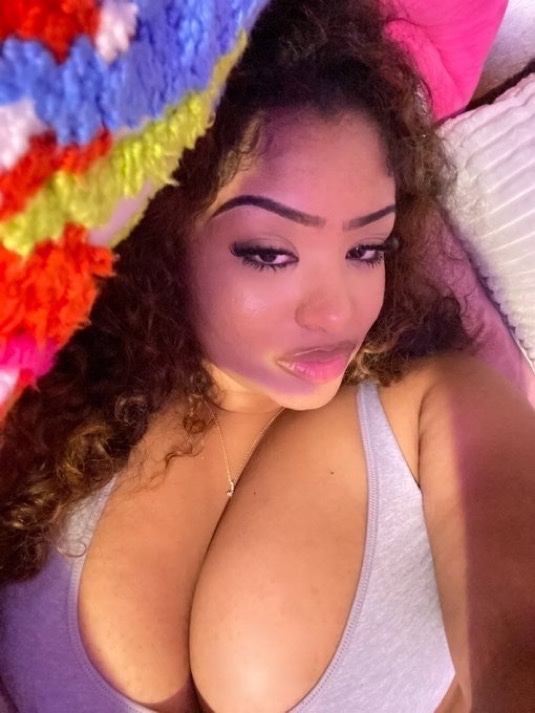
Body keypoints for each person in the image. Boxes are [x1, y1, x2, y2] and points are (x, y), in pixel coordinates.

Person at [0, 0, 534, 711]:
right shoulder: (51, 397)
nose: (335, 312)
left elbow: (518, 639)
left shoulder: (442, 404)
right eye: (269, 252)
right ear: (167, 230)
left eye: (365, 248)